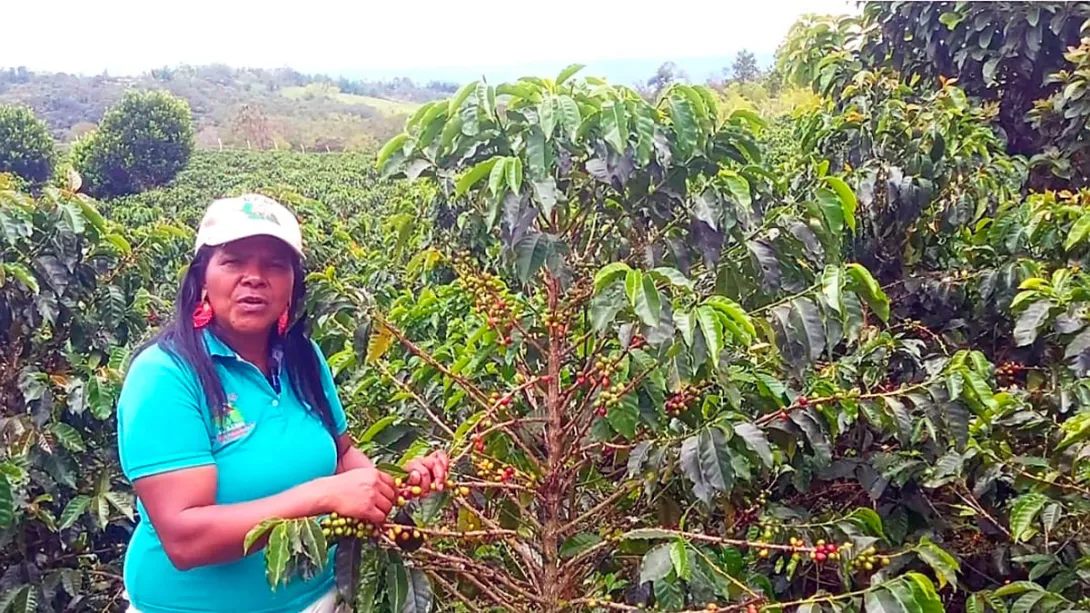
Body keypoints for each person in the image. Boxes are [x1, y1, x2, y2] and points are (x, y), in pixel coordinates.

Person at [116, 194, 449, 613]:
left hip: (320, 598)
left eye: (275, 265)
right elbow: (185, 539)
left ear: (293, 284)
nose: (254, 278)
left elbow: (343, 457)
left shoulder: (303, 357)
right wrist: (323, 495)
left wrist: (393, 486)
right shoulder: (165, 376)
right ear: (202, 277)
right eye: (233, 261)